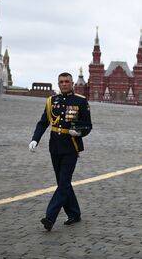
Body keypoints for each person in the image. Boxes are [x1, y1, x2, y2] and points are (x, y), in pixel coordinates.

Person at [28, 72, 92, 231]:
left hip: (71, 146)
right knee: (63, 183)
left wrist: (80, 132)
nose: (64, 84)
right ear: (58, 84)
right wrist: (35, 139)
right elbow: (43, 122)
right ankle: (74, 213)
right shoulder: (52, 101)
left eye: (67, 81)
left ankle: (50, 217)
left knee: (63, 184)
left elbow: (87, 125)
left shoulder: (80, 101)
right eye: (61, 82)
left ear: (72, 83)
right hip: (55, 147)